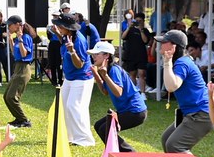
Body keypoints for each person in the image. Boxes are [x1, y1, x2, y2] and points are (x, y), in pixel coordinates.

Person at [157, 28, 214, 154]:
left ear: (174, 47)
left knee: (174, 145)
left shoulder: (182, 63)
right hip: (193, 112)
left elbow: (172, 86)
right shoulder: (181, 61)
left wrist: (167, 62)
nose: (160, 44)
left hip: (202, 114)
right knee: (166, 139)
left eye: (164, 42)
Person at [90, 40, 147, 148]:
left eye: (97, 54)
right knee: (98, 126)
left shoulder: (114, 70)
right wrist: (96, 75)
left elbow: (118, 92)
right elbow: (105, 91)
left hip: (135, 112)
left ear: (107, 55)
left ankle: (128, 153)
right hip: (126, 111)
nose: (93, 56)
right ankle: (117, 152)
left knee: (105, 129)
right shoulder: (106, 70)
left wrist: (105, 76)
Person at [55, 14, 96, 147]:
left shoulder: (80, 41)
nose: (58, 28)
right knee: (64, 105)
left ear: (67, 27)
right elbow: (65, 45)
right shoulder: (67, 36)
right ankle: (69, 136)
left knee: (74, 106)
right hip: (70, 78)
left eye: (60, 26)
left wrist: (72, 51)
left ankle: (85, 139)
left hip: (82, 78)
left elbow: (79, 64)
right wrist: (58, 34)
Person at [4, 20, 35, 127]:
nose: (8, 27)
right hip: (17, 67)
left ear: (17, 25)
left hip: (23, 68)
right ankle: (18, 119)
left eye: (10, 25)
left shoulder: (25, 37)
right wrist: (10, 40)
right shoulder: (18, 38)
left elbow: (24, 53)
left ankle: (24, 120)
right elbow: (15, 53)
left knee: (12, 97)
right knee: (6, 96)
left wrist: (20, 38)